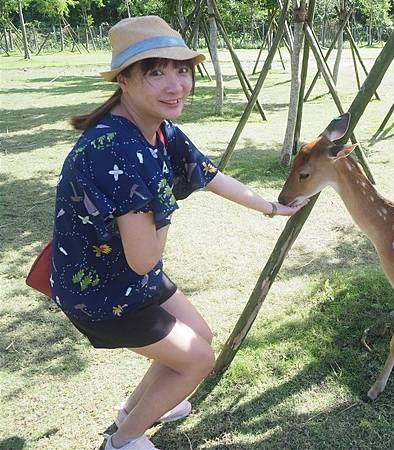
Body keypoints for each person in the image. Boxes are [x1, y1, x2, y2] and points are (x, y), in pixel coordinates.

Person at [50, 15, 306, 450]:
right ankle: (124, 441)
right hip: (99, 290)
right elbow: (145, 258)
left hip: (127, 277)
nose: (176, 85)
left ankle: (134, 410)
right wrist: (163, 204)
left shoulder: (157, 129)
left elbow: (207, 174)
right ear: (125, 81)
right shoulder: (115, 147)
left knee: (198, 338)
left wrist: (271, 208)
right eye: (156, 72)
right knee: (197, 360)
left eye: (182, 69)